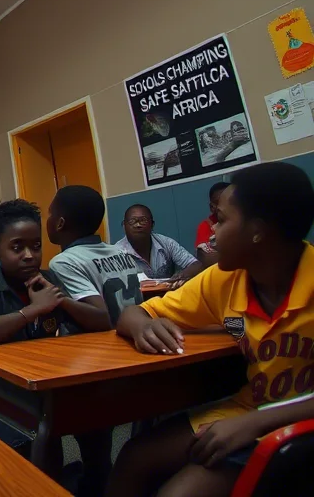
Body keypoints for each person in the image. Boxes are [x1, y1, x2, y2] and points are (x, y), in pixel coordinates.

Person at [106, 162, 314, 497]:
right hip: (251, 409)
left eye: (221, 219)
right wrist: (143, 325)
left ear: (258, 231)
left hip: (296, 427)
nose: (210, 231)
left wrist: (257, 424)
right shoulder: (225, 278)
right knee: (133, 457)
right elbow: (131, 313)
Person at [0, 200, 113, 492]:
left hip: (48, 378)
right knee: (39, 446)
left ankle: (95, 481)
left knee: (96, 423)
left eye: (35, 246)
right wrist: (32, 311)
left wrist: (59, 300)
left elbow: (103, 321)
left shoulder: (50, 278)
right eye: (17, 248)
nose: (29, 255)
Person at [46, 185, 142, 327]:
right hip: (136, 333)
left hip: (104, 342)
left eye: (49, 214)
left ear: (60, 224)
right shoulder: (121, 251)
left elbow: (100, 316)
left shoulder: (63, 262)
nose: (47, 220)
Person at [115, 204, 204, 285]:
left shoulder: (166, 243)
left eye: (143, 220)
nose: (138, 225)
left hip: (167, 296)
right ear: (124, 226)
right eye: (132, 221)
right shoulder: (116, 253)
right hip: (138, 300)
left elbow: (196, 265)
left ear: (152, 225)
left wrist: (181, 276)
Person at [196, 181, 231, 264]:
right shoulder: (205, 226)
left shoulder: (242, 220)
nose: (225, 206)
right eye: (220, 202)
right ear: (212, 207)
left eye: (230, 201)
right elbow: (207, 258)